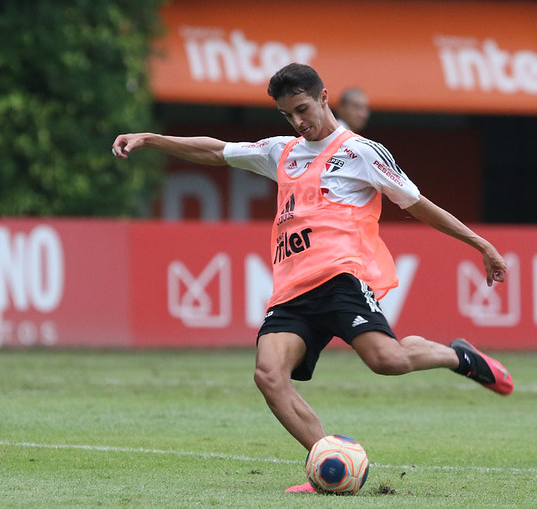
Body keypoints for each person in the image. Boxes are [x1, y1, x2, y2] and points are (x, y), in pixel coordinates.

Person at [112, 63, 513, 493]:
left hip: (340, 278)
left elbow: (418, 204)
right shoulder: (282, 151)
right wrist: (151, 140)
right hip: (291, 292)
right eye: (288, 115)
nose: (298, 122)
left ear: (324, 98)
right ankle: (327, 464)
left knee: (387, 361)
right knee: (267, 375)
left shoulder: (361, 152)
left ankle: (459, 356)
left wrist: (481, 245)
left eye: (303, 109)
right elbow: (217, 151)